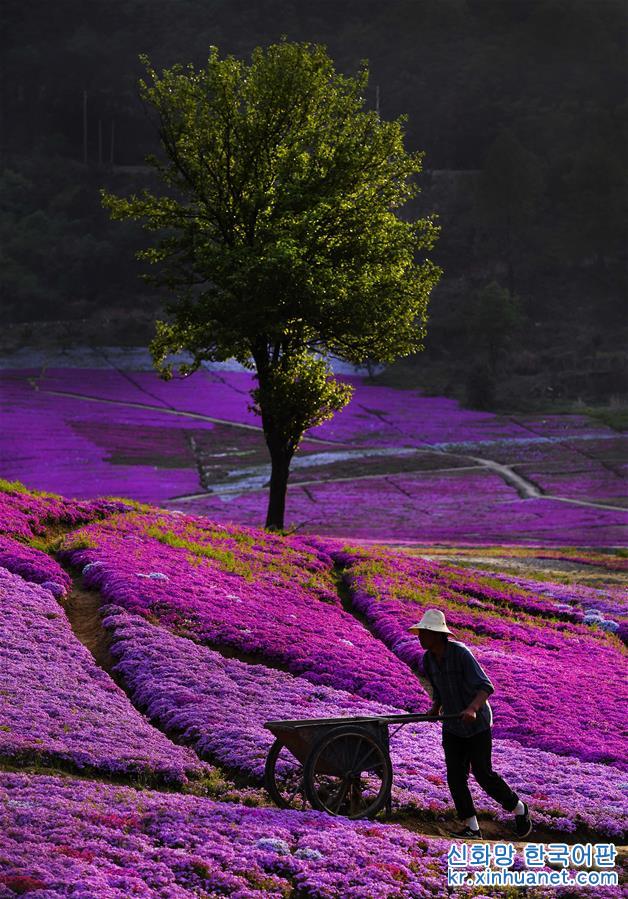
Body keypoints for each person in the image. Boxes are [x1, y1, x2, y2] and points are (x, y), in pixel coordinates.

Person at [409, 608, 532, 840]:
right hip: (453, 725)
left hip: (477, 725)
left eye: (424, 632)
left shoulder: (461, 653)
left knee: (483, 774)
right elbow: (439, 687)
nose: (420, 637)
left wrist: (472, 709)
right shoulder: (427, 659)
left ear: (437, 634)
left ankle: (519, 808)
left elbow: (486, 686)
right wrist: (436, 707)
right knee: (456, 776)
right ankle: (473, 828)